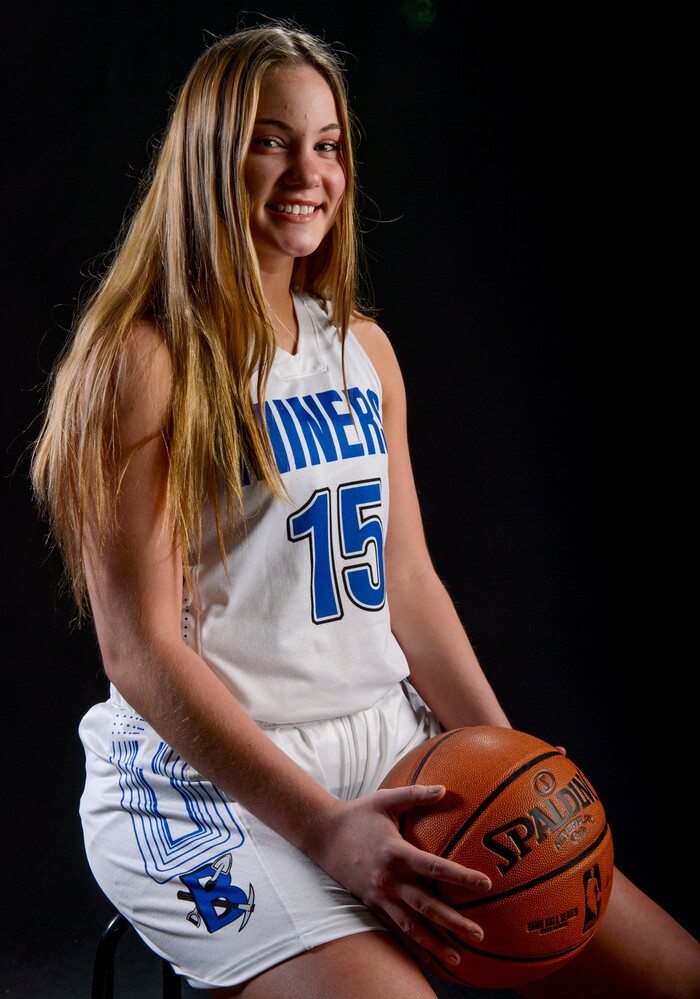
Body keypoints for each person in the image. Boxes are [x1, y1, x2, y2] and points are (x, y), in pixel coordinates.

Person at [31, 20, 699, 999]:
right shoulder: (144, 362)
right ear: (211, 156)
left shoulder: (361, 349)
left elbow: (408, 581)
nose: (308, 172)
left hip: (388, 744)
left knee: (672, 973)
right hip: (209, 789)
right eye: (271, 139)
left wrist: (516, 761)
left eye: (327, 144)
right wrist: (320, 830)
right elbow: (139, 655)